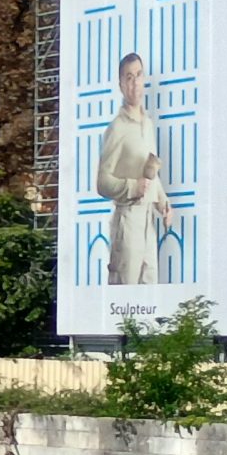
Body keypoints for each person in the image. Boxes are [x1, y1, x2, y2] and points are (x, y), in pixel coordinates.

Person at [95, 52, 172, 283]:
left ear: (144, 79)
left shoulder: (147, 124)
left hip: (148, 220)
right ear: (121, 84)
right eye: (128, 77)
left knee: (150, 290)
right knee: (125, 292)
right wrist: (132, 187)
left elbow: (151, 174)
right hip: (127, 219)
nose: (134, 82)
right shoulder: (117, 128)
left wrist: (163, 203)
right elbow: (102, 182)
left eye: (138, 75)